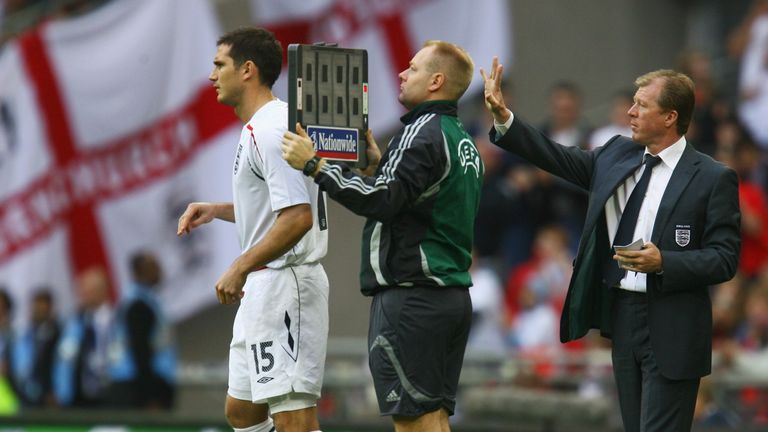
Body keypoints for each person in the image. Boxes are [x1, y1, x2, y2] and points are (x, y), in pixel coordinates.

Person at [481, 59, 741, 432]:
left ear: (670, 117)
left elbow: (724, 259)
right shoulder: (616, 153)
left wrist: (664, 261)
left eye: (642, 105)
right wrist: (506, 117)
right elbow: (557, 157)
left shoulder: (713, 178)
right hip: (623, 318)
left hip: (675, 323)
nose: (630, 112)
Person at [282, 40, 482, 432]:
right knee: (434, 419)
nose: (403, 74)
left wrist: (315, 164)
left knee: (412, 423)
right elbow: (418, 201)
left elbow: (382, 201)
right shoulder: (461, 138)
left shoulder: (421, 132)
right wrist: (381, 166)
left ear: (436, 81)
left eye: (414, 68)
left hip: (412, 299)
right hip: (449, 297)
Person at [177, 27, 329, 432]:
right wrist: (221, 210)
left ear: (247, 70)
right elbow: (276, 208)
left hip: (286, 283)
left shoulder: (271, 128)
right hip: (265, 288)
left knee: (294, 415)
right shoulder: (261, 125)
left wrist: (239, 265)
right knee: (242, 411)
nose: (212, 75)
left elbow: (298, 217)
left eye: (219, 64)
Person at [108, 251, 176, 409]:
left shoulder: (143, 300)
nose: (160, 271)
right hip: (138, 386)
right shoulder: (138, 305)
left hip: (136, 382)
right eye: (154, 267)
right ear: (140, 272)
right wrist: (150, 395)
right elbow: (140, 350)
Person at [54, 266, 114, 407]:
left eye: (88, 290)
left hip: (109, 396)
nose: (82, 295)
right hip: (75, 397)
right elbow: (63, 358)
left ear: (102, 291)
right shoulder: (73, 324)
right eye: (81, 291)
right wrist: (61, 390)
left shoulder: (117, 321)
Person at [10, 288, 60, 406]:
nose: (38, 310)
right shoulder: (22, 334)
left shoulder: (58, 333)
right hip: (22, 394)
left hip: (48, 396)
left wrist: (54, 391)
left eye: (42, 307)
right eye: (36, 307)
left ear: (50, 308)